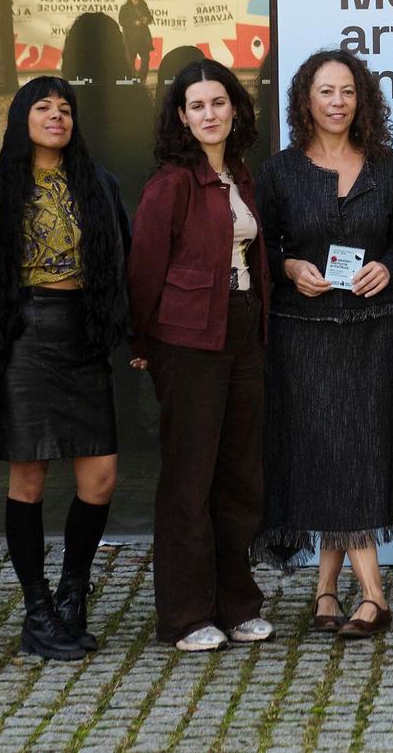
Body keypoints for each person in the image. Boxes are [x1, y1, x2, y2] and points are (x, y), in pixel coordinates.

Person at [255, 50, 393, 641]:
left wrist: (389, 265)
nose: (337, 102)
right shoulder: (279, 171)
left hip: (369, 332)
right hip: (302, 337)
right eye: (326, 91)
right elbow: (266, 248)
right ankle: (369, 595)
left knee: (356, 454)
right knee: (327, 455)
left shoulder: (386, 166)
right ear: (305, 99)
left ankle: (336, 589)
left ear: (363, 101)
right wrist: (288, 268)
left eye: (348, 92)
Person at [0, 77, 132, 661]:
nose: (56, 116)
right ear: (22, 117)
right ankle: (37, 608)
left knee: (100, 478)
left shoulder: (98, 183)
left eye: (65, 108)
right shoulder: (0, 188)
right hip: (24, 336)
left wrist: (127, 330)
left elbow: (121, 256)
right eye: (43, 107)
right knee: (30, 480)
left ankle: (73, 592)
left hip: (84, 333)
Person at [127, 59, 274, 652]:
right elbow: (142, 271)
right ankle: (187, 616)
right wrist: (144, 345)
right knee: (191, 478)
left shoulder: (240, 174)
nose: (210, 114)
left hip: (243, 331)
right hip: (188, 341)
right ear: (182, 119)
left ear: (234, 109)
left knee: (239, 474)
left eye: (218, 102)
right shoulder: (171, 183)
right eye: (197, 106)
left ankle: (237, 605)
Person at [119, 0, 155, 78]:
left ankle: (141, 78)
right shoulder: (125, 8)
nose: (136, 0)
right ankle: (132, 78)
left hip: (143, 38)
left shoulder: (143, 6)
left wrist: (147, 19)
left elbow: (150, 17)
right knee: (130, 60)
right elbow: (121, 21)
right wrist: (134, 23)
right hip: (130, 39)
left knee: (146, 59)